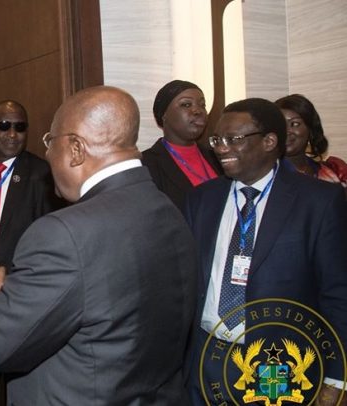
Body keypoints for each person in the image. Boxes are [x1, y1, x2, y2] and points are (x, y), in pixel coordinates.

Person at [0, 86, 198, 405]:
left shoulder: (62, 235)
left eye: (50, 141)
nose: (47, 155)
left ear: (76, 148)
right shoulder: (171, 211)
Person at [184, 98, 347, 405]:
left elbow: (338, 295)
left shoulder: (319, 202)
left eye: (234, 139)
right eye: (217, 140)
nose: (221, 148)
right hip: (207, 360)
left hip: (279, 362)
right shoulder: (201, 199)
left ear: (270, 141)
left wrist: (337, 377)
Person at [0, 100, 62, 270]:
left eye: (20, 127)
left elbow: (51, 241)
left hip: (16, 280)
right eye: (4, 126)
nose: (12, 134)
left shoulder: (42, 175)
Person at [142, 80, 222, 209]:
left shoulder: (218, 156)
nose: (198, 111)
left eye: (202, 105)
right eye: (186, 104)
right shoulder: (146, 165)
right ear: (164, 114)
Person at [274, 94, 347, 192]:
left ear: (311, 129)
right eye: (280, 124)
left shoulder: (335, 173)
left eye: (295, 124)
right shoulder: (263, 176)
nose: (286, 131)